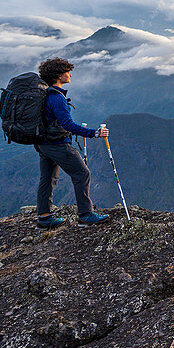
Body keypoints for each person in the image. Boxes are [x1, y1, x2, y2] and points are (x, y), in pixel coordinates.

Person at [34, 57, 111, 229]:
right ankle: (85, 214)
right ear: (58, 75)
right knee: (82, 174)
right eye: (67, 71)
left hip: (43, 144)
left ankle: (44, 218)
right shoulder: (57, 97)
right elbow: (67, 125)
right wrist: (94, 133)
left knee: (47, 178)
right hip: (58, 144)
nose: (70, 75)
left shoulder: (45, 94)